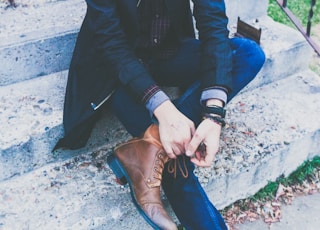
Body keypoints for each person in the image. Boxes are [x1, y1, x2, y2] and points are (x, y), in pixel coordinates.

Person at [54, 0, 265, 229]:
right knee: (176, 159)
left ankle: (149, 146)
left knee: (248, 53)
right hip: (115, 73)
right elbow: (110, 42)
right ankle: (156, 151)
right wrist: (164, 110)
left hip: (166, 52)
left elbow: (213, 22)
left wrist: (214, 113)